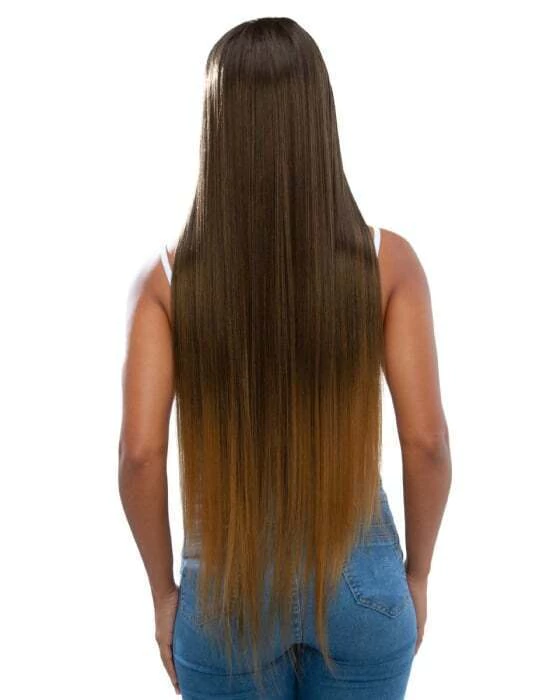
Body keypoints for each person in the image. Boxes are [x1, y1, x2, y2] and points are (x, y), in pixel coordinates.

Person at [119, 16, 451, 700]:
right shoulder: (386, 265)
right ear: (318, 119)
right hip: (362, 587)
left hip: (226, 598)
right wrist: (417, 574)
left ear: (217, 130)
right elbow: (426, 443)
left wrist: (162, 593)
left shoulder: (168, 284)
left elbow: (140, 456)